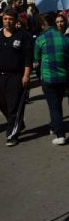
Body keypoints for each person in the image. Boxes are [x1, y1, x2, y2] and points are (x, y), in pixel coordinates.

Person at [35, 13, 69, 145]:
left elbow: (37, 59)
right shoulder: (66, 39)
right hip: (64, 78)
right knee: (57, 103)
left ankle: (60, 134)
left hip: (48, 78)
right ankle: (54, 126)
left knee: (53, 106)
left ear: (43, 25)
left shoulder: (40, 39)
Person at [0, 9, 33, 146]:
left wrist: (26, 75)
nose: (8, 21)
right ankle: (18, 123)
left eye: (11, 19)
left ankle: (12, 135)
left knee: (13, 106)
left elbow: (28, 58)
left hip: (16, 76)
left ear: (16, 21)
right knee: (3, 104)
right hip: (1, 76)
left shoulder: (23, 36)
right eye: (6, 19)